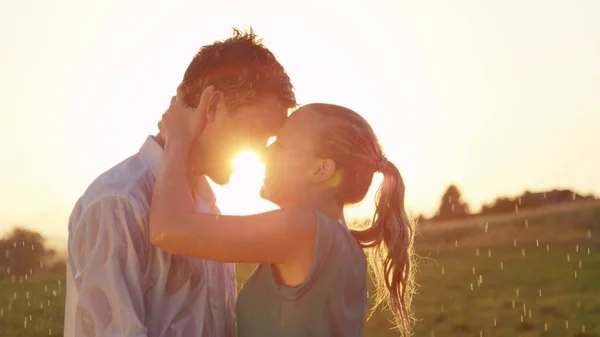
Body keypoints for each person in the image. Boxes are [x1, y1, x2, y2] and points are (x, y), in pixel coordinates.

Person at [63, 28, 296, 337]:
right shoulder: (118, 202)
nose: (260, 154)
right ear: (211, 106)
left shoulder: (205, 205)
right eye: (255, 134)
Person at [149, 86, 417, 337]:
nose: (264, 153)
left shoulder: (301, 229)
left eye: (281, 146)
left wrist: (178, 137)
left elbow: (170, 229)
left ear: (322, 169)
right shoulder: (345, 246)